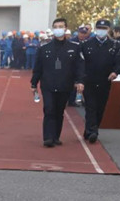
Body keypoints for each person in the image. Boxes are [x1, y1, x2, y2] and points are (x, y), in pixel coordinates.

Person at [31, 18, 85, 147]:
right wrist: (33, 84)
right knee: (49, 109)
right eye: (56, 26)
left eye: (61, 26)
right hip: (48, 84)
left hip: (65, 84)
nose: (58, 29)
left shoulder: (74, 48)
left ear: (65, 29)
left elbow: (79, 67)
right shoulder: (44, 48)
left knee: (59, 111)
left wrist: (80, 81)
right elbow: (38, 68)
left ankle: (56, 136)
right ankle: (48, 137)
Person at [81, 19, 120, 143]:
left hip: (105, 80)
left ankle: (90, 128)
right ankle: (93, 131)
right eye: (99, 28)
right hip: (89, 80)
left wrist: (115, 71)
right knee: (91, 106)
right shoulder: (86, 44)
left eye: (104, 28)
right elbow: (81, 63)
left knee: (100, 107)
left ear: (109, 30)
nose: (101, 31)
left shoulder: (115, 45)